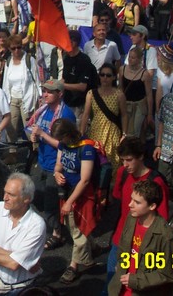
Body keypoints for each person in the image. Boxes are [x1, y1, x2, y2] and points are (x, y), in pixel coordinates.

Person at [104, 136, 169, 292]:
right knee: (111, 284)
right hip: (120, 238)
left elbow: (162, 217)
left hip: (141, 244)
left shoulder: (156, 182)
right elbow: (118, 197)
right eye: (123, 160)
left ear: (140, 157)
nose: (125, 165)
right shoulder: (122, 173)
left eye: (129, 160)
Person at [0, 173, 46, 295]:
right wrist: (21, 259)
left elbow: (13, 264)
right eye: (5, 192)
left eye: (11, 194)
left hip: (21, 289)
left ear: (26, 199)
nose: (5, 198)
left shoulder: (37, 225)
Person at [28, 78, 77, 252]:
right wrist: (35, 136)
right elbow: (35, 129)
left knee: (49, 202)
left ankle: (57, 233)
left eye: (49, 91)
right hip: (41, 160)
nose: (45, 94)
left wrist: (42, 134)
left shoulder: (66, 114)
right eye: (44, 90)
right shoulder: (43, 110)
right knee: (35, 195)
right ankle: (55, 221)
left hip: (55, 165)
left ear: (60, 94)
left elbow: (65, 144)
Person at [107, 180, 173, 296]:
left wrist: (135, 281)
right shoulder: (132, 218)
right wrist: (120, 265)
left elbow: (167, 274)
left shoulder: (165, 235)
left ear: (152, 206)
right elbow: (122, 246)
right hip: (119, 289)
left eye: (137, 202)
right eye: (131, 199)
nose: (130, 204)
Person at [53, 119, 98, 284]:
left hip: (82, 195)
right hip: (67, 191)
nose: (59, 143)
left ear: (67, 134)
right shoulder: (63, 145)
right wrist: (57, 174)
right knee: (73, 226)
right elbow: (58, 165)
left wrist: (69, 202)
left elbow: (85, 180)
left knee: (77, 229)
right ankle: (91, 246)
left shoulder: (86, 148)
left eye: (60, 138)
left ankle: (73, 266)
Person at [80, 63, 128, 170]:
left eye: (108, 75)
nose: (105, 78)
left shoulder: (119, 95)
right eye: (102, 75)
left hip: (112, 134)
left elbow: (124, 115)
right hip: (95, 132)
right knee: (95, 163)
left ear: (114, 77)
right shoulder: (91, 93)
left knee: (112, 163)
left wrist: (124, 134)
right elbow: (85, 114)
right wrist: (81, 132)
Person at [1, 34, 40, 142]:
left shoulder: (29, 59)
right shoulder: (8, 61)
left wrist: (38, 98)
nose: (17, 50)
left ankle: (34, 150)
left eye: (19, 47)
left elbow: (36, 80)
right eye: (13, 48)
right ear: (9, 49)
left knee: (29, 127)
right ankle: (12, 152)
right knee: (11, 127)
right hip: (13, 98)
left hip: (27, 98)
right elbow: (5, 82)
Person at [119, 47, 153, 140]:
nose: (130, 60)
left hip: (139, 106)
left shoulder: (145, 74)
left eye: (133, 58)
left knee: (134, 132)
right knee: (124, 130)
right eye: (129, 57)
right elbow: (120, 88)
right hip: (125, 104)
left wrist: (149, 113)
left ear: (139, 59)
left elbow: (149, 94)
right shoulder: (122, 69)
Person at [62, 30, 97, 118]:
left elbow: (82, 87)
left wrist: (63, 85)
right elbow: (64, 79)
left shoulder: (84, 60)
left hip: (79, 104)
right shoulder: (66, 58)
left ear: (74, 42)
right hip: (67, 101)